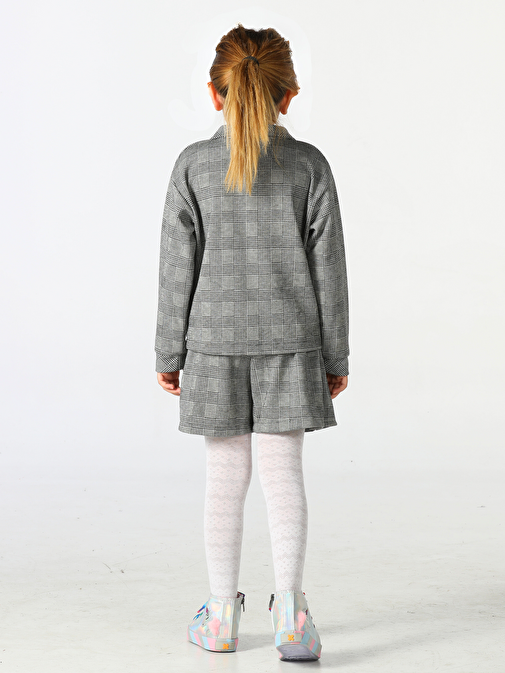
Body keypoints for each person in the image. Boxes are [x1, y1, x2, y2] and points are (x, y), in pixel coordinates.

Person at [155, 23, 349, 661]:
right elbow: (329, 271)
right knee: (283, 475)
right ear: (289, 95)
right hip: (291, 345)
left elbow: (176, 270)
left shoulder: (193, 166)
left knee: (224, 479)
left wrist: (169, 352)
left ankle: (220, 619)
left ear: (216, 93)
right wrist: (335, 355)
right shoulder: (309, 166)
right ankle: (292, 618)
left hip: (212, 346)